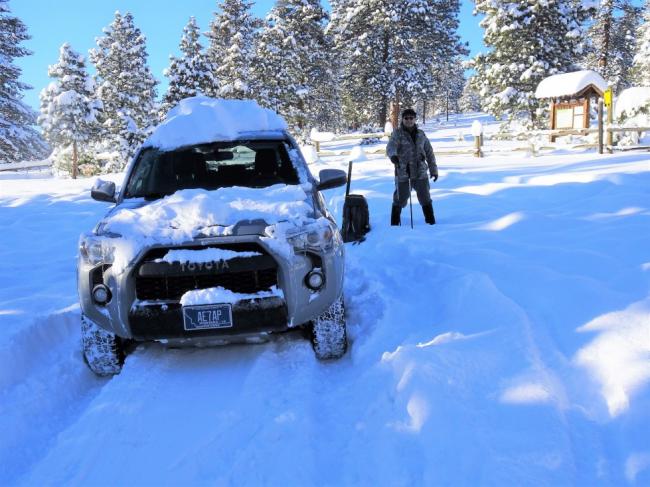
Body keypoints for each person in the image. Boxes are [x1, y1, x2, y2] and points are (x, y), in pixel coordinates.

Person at [386, 108, 438, 225]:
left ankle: (431, 225)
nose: (409, 120)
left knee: (425, 198)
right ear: (402, 119)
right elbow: (390, 147)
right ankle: (394, 225)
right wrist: (393, 156)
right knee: (400, 199)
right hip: (403, 172)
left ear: (415, 119)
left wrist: (433, 170)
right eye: (406, 118)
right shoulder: (397, 134)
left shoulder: (421, 134)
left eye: (411, 118)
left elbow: (429, 152)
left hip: (420, 172)